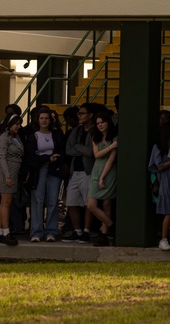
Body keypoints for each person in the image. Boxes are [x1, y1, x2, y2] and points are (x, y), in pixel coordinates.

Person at [24, 107, 64, 242]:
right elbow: (30, 158)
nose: (44, 120)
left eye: (46, 118)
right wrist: (47, 158)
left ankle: (51, 231)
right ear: (37, 120)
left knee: (53, 201)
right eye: (41, 118)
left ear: (50, 120)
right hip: (38, 171)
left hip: (53, 170)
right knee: (37, 200)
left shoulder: (56, 135)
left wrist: (56, 159)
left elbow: (62, 152)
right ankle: (36, 232)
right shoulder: (33, 136)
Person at [63, 103, 95, 243]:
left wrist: (77, 147)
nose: (79, 116)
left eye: (82, 113)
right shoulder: (76, 131)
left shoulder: (95, 132)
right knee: (71, 202)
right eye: (79, 114)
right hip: (74, 171)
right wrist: (82, 149)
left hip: (88, 171)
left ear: (90, 115)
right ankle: (77, 230)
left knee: (88, 203)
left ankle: (86, 231)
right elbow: (68, 150)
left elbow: (91, 152)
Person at [88, 111, 118, 247]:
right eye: (98, 123)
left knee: (107, 204)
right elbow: (97, 155)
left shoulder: (115, 137)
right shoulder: (95, 138)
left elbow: (111, 160)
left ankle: (104, 234)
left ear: (108, 122)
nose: (100, 125)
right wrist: (111, 146)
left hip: (109, 172)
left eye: (102, 122)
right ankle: (112, 226)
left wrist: (103, 177)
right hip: (96, 171)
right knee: (91, 205)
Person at [0, 113, 23, 246]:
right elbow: (2, 157)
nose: (18, 126)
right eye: (16, 124)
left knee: (3, 202)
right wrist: (7, 176)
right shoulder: (4, 137)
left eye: (19, 124)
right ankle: (6, 232)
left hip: (14, 170)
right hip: (7, 172)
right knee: (7, 203)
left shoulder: (16, 137)